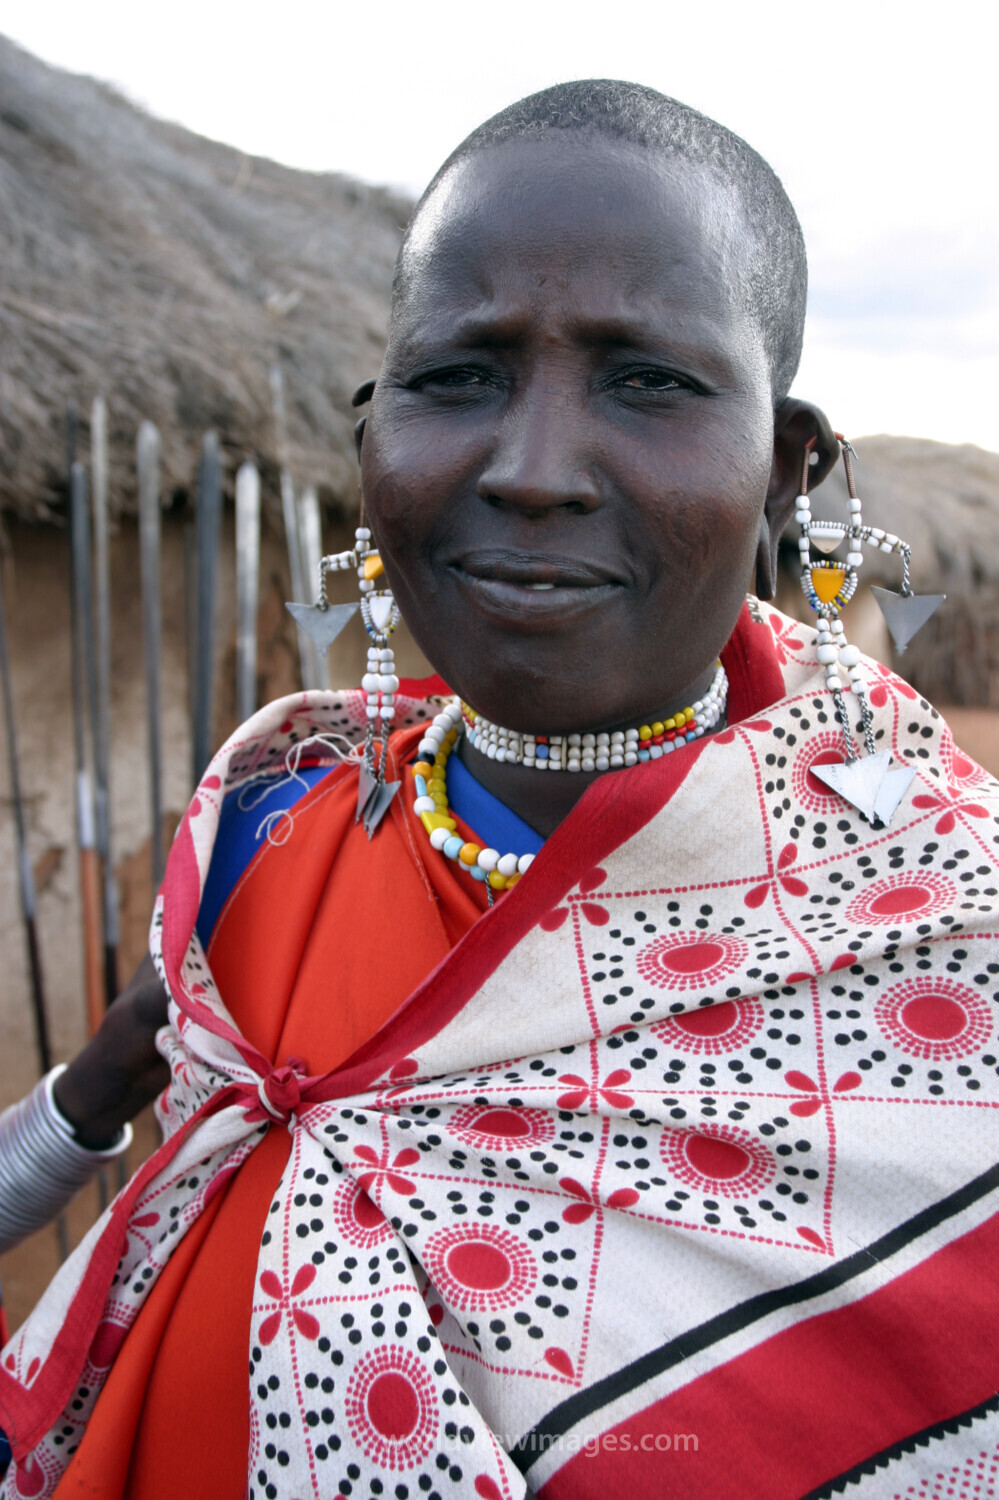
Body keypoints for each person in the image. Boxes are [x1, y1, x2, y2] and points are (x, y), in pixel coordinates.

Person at [2, 80, 997, 1500]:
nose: (530, 473)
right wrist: (89, 1102)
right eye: (457, 376)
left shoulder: (948, 951)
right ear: (369, 446)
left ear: (785, 471)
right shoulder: (265, 837)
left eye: (647, 378)